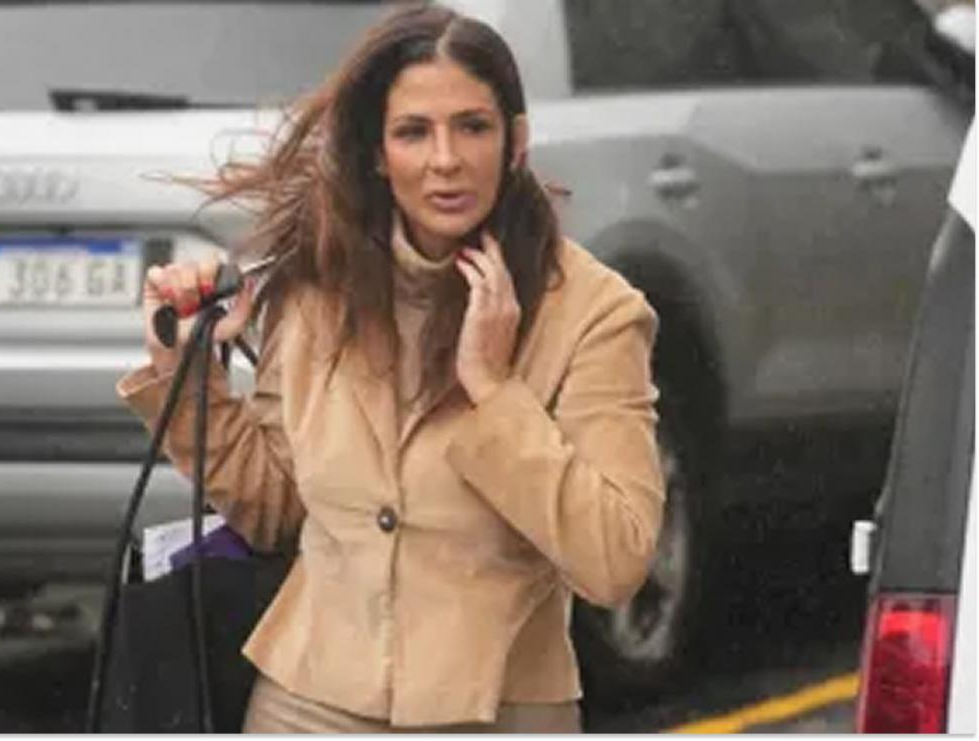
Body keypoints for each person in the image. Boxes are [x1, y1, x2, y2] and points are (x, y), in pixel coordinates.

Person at [117, 3, 665, 733]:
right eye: (413, 132)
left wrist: (496, 391)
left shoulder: (595, 311)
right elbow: (276, 512)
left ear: (517, 143)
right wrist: (189, 377)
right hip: (305, 707)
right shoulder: (316, 287)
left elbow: (615, 560)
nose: (446, 159)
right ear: (377, 152)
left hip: (497, 713)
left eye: (473, 127)